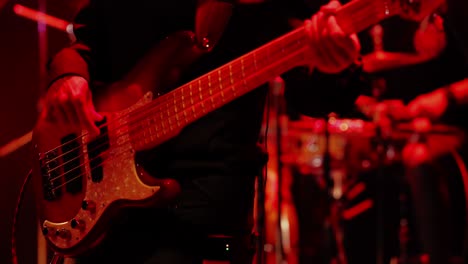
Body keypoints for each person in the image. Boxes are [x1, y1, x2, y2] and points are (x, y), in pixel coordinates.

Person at [41, 0, 360, 263]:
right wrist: (67, 77)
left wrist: (337, 61)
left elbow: (316, 94)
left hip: (206, 225)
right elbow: (85, 42)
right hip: (110, 227)